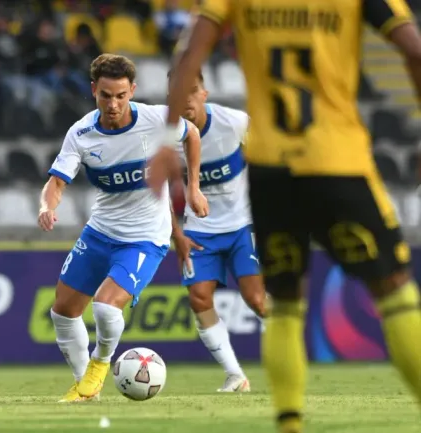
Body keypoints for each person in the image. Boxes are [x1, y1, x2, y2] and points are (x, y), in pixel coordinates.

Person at [154, 1, 421, 432]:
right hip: (339, 162)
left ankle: (289, 423)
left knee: (285, 305)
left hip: (272, 172)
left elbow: (190, 54)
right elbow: (414, 51)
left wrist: (167, 140)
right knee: (393, 291)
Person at [38, 53, 208, 403]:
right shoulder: (81, 133)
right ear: (93, 91)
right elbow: (57, 182)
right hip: (100, 231)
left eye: (120, 95)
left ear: (132, 90)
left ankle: (100, 364)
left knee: (104, 307)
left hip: (145, 237)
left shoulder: (156, 119)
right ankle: (86, 388)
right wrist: (46, 206)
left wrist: (194, 187)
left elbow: (191, 134)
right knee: (63, 312)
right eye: (105, 96)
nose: (113, 104)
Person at [169, 69, 266, 393]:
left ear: (204, 93)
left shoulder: (235, 123)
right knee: (199, 298)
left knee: (256, 299)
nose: (186, 101)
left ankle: (288, 350)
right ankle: (235, 375)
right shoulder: (165, 138)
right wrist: (177, 233)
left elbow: (267, 158)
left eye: (191, 91)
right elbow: (154, 191)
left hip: (244, 222)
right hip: (200, 228)